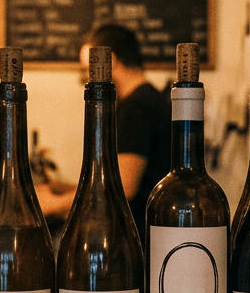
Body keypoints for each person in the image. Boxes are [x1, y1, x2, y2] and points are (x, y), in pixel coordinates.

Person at [35, 24, 171, 235]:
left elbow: (123, 188)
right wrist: (64, 189)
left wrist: (52, 204)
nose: (86, 79)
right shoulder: (144, 99)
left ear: (109, 61)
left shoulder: (138, 106)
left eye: (87, 69)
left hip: (137, 238)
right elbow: (111, 181)